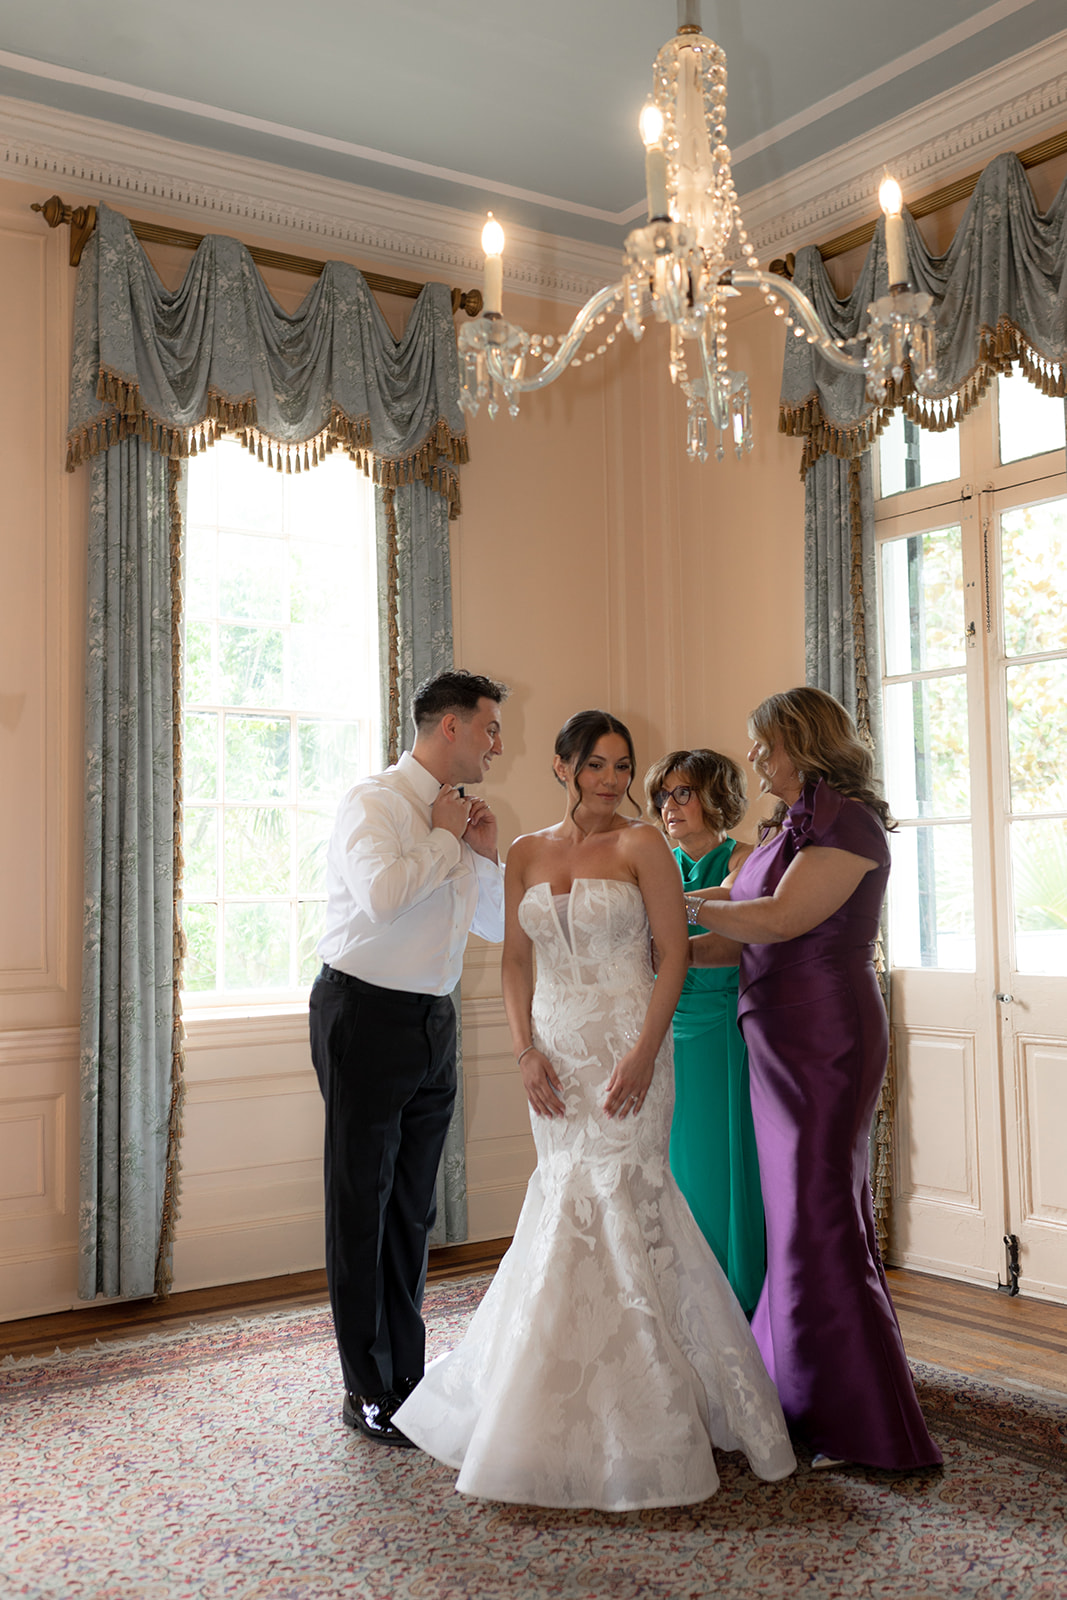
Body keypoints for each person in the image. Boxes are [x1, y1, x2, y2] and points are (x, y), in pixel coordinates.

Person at [394, 710, 796, 1509]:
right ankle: (540, 1402)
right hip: (553, 1049)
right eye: (597, 766)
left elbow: (672, 952)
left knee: (626, 1194)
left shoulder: (643, 845)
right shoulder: (524, 852)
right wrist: (523, 1051)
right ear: (563, 766)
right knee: (562, 1199)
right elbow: (513, 958)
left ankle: (651, 1409)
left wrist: (646, 1051)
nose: (612, 781)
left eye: (622, 767)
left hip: (626, 1037)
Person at [686, 687, 942, 1471]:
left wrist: (672, 906)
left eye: (764, 743)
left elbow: (779, 920)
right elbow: (731, 933)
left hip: (824, 1037)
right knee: (792, 1220)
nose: (755, 757)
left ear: (801, 743)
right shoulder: (780, 831)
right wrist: (654, 946)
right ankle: (795, 1393)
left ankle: (857, 1418)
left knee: (823, 1217)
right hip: (772, 1035)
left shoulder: (846, 822)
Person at [308, 668, 508, 1447]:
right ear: (449, 726)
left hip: (432, 1018)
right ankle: (364, 1391)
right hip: (362, 1013)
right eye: (489, 728)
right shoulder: (376, 803)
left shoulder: (457, 818)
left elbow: (489, 926)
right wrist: (442, 835)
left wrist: (483, 853)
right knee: (361, 1206)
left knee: (410, 1209)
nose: (499, 744)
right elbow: (382, 894)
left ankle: (405, 1379)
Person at [644, 748, 764, 1317]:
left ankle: (731, 1299)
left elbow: (736, 926)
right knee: (669, 1165)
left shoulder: (747, 858)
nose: (669, 806)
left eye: (683, 792)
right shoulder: (654, 860)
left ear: (716, 794)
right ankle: (678, 1301)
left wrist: (671, 912)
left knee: (719, 1164)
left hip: (722, 1031)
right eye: (663, 795)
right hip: (662, 1027)